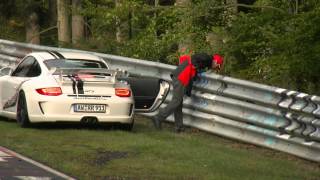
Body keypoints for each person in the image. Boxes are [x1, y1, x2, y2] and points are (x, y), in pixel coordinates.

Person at [152, 52, 224, 133]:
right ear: (216, 61)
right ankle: (158, 118)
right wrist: (195, 66)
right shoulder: (207, 58)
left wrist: (196, 70)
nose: (215, 68)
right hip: (182, 76)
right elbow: (197, 57)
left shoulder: (206, 61)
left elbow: (195, 62)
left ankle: (179, 126)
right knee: (176, 101)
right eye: (217, 66)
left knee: (179, 103)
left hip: (181, 75)